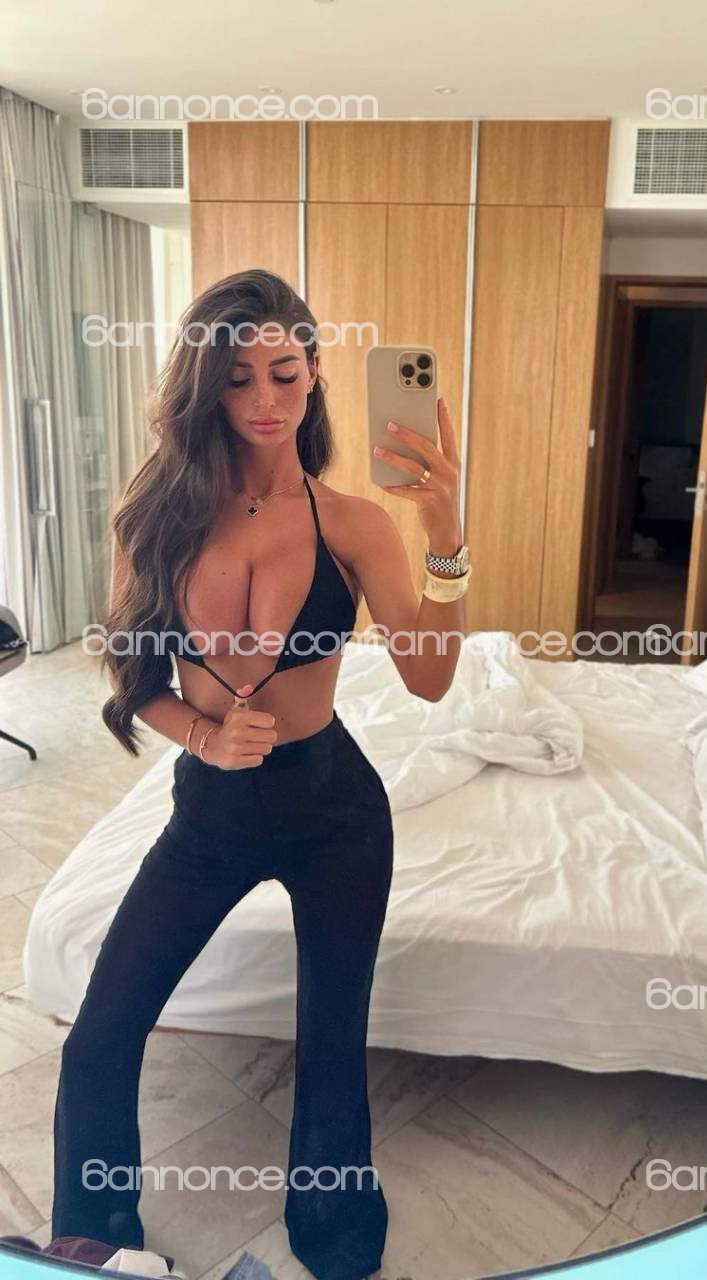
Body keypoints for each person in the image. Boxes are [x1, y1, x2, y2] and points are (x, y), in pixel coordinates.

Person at [52, 268, 472, 1280]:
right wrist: (201, 738)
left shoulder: (354, 523)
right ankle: (92, 1236)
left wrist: (446, 535)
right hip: (209, 815)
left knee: (331, 1042)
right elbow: (133, 680)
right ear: (206, 387)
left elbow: (428, 678)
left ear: (315, 372)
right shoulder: (158, 514)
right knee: (100, 1032)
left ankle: (333, 1233)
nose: (265, 401)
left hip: (335, 811)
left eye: (284, 373)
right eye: (237, 379)